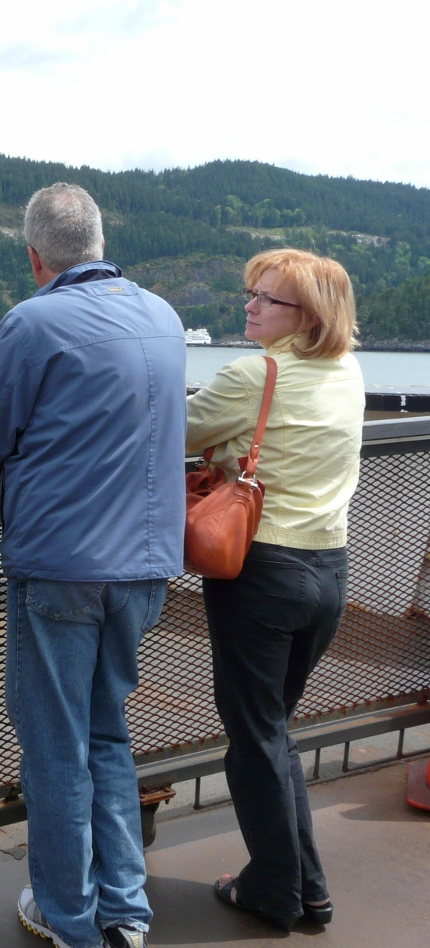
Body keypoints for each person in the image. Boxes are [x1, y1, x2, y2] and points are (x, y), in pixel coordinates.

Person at [0, 183, 186, 948]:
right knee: (105, 734)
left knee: (56, 748)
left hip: (62, 570)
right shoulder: (164, 316)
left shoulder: (34, 321)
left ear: (34, 255)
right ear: (99, 241)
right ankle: (126, 912)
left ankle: (67, 918)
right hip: (145, 570)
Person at [188, 249, 363, 930]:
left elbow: (177, 431)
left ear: (308, 315)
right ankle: (306, 888)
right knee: (274, 731)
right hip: (329, 572)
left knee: (253, 737)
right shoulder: (347, 371)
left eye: (267, 299)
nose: (249, 306)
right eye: (249, 294)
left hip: (261, 574)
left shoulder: (252, 373)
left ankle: (275, 892)